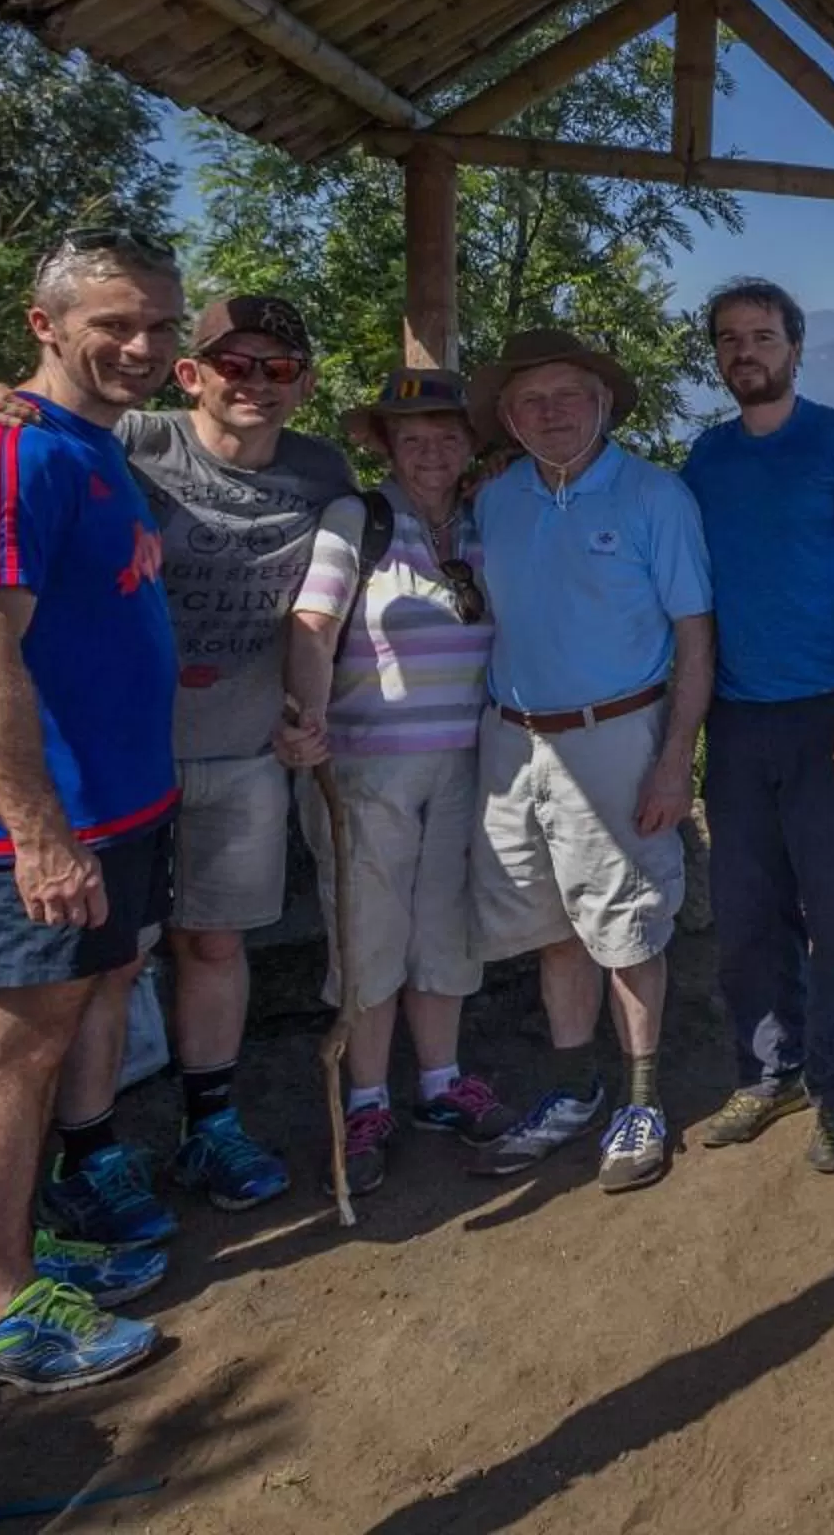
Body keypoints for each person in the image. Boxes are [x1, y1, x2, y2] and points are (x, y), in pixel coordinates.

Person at [0, 292, 355, 1224]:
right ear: (192, 374)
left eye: (278, 369)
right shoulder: (122, 442)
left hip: (238, 747)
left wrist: (308, 708)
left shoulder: (320, 471)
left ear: (302, 384)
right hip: (115, 764)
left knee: (215, 942)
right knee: (109, 965)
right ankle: (94, 1152)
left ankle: (209, 1124)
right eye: (234, 364)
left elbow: (313, 610)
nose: (255, 384)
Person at [0, 228, 183, 1390]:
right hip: (39, 829)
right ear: (44, 323)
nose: (140, 345)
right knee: (7, 1051)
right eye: (114, 321)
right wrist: (37, 830)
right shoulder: (7, 456)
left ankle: (19, 1246)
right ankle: (1, 1302)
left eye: (161, 324)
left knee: (59, 1029)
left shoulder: (88, 447)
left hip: (116, 810)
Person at [463, 330, 713, 1194]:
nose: (552, 413)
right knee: (552, 926)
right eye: (531, 401)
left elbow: (695, 634)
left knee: (628, 923)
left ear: (604, 403)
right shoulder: (496, 502)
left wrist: (675, 761)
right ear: (507, 417)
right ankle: (575, 1088)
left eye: (570, 396)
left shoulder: (654, 496)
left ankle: (642, 1101)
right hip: (513, 739)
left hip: (616, 735)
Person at [682, 279, 834, 1175]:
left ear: (796, 348)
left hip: (833, 715)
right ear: (718, 355)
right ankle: (766, 1070)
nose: (748, 352)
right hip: (740, 719)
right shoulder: (706, 460)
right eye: (731, 339)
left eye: (764, 336)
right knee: (745, 912)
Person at [276, 369, 516, 1193]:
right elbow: (311, 626)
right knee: (369, 930)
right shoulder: (360, 521)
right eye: (412, 437)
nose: (432, 451)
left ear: (469, 444)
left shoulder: (482, 525)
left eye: (447, 435)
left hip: (463, 762)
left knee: (443, 925)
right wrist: (307, 716)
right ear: (384, 444)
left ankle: (441, 1083)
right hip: (367, 763)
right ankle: (369, 1096)